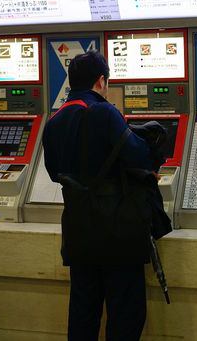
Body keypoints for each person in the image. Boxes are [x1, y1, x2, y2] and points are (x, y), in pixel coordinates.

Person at [42, 50, 167, 341]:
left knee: (83, 316)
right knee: (125, 316)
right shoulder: (104, 112)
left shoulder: (54, 122)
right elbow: (138, 156)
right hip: (117, 232)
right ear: (101, 81)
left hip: (78, 234)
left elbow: (53, 172)